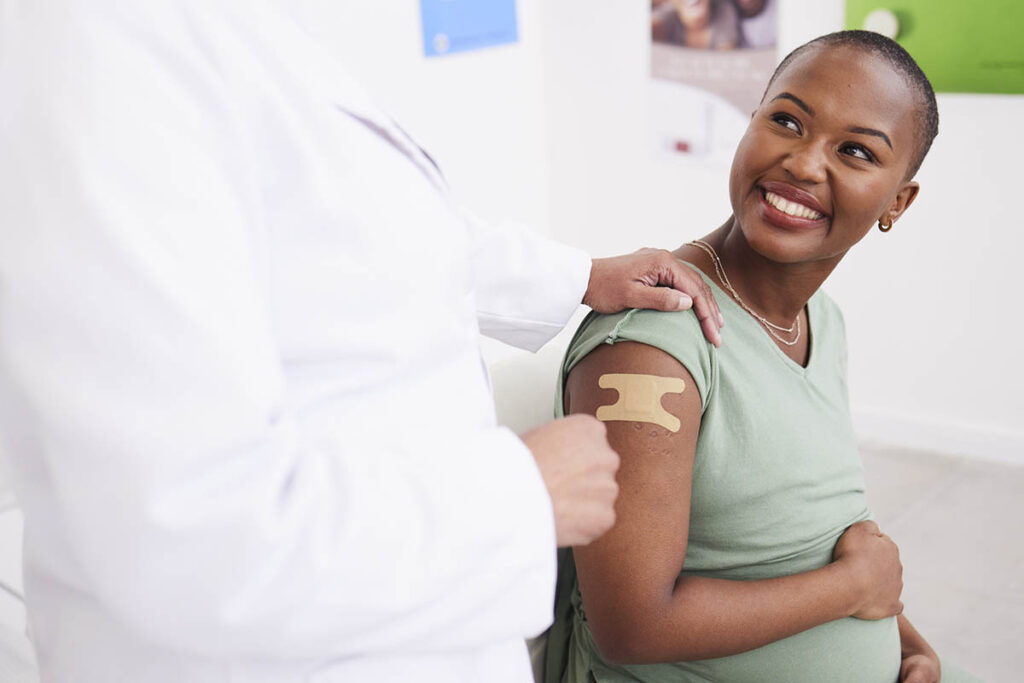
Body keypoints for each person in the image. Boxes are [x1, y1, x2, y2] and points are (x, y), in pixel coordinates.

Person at [0, 2, 725, 682]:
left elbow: (360, 238)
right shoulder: (109, 46)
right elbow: (182, 534)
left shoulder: (241, 35)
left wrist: (578, 275)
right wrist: (519, 494)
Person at [549, 31, 980, 682]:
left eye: (856, 150)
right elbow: (630, 625)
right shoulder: (653, 345)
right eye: (786, 120)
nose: (804, 164)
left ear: (898, 200)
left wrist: (900, 634)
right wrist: (855, 588)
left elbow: (803, 529)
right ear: (750, 123)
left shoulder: (820, 322)